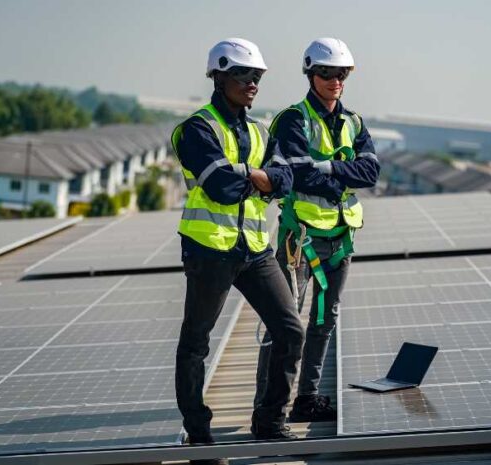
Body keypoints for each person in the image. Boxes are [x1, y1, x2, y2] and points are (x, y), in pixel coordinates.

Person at [172, 38, 304, 465]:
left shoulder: (261, 130)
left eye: (258, 77)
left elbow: (286, 181)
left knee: (290, 330)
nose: (253, 84)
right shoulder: (196, 129)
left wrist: (250, 173)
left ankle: (269, 422)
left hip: (254, 250)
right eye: (245, 75)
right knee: (196, 344)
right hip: (209, 250)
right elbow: (221, 188)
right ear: (219, 75)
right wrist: (258, 175)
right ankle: (200, 436)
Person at [253, 38, 380, 422]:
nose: (335, 80)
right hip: (301, 239)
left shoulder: (354, 122)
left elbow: (371, 172)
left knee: (325, 320)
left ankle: (306, 398)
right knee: (284, 322)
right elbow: (299, 174)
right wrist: (342, 172)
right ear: (311, 74)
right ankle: (267, 404)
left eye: (342, 73)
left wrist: (327, 169)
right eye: (327, 72)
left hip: (340, 238)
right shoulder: (293, 120)